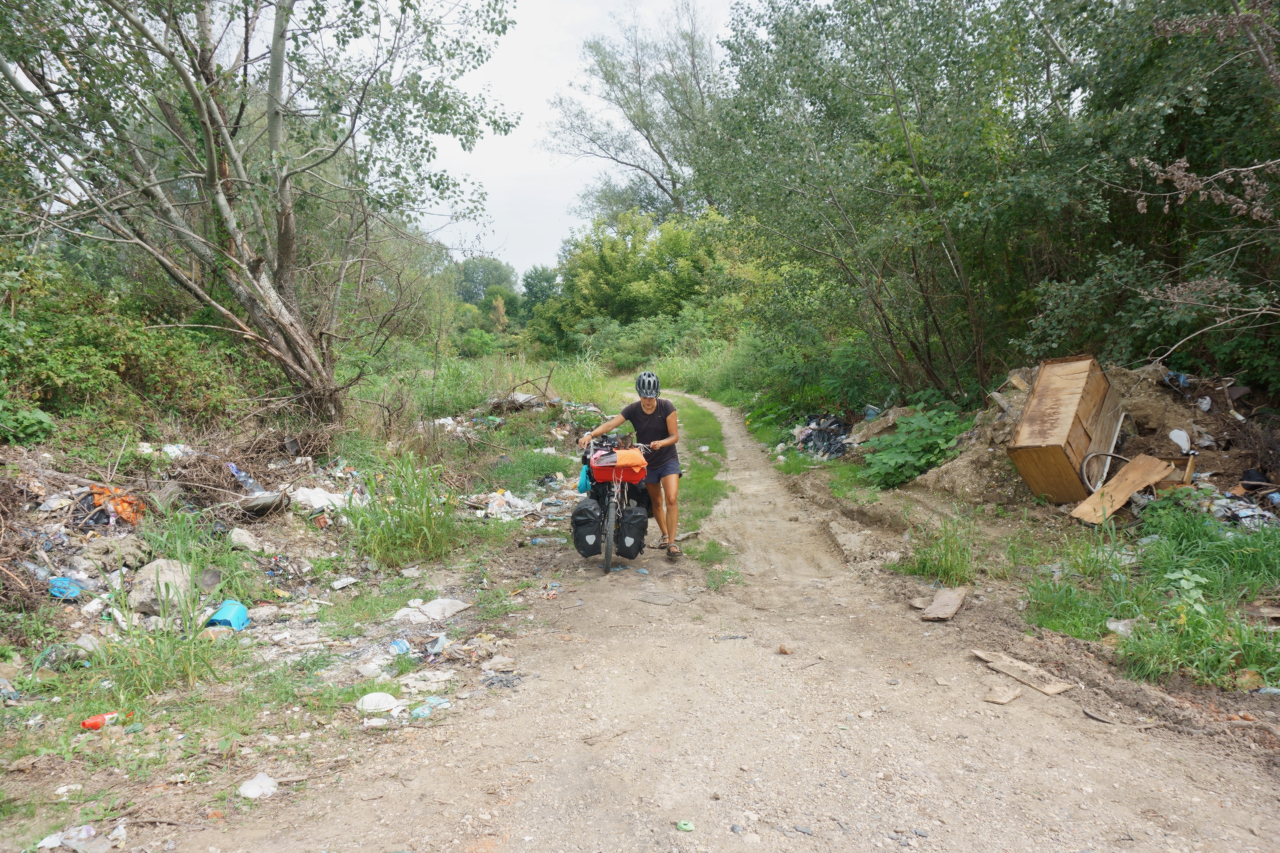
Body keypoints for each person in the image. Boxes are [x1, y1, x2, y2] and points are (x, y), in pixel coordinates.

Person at [577, 371, 682, 557]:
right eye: (644, 397)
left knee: (671, 498)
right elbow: (611, 425)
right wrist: (590, 435)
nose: (648, 401)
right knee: (656, 502)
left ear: (657, 394)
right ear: (639, 394)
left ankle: (672, 544)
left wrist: (661, 443)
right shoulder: (633, 410)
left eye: (651, 397)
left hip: (668, 459)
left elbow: (674, 436)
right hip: (645, 462)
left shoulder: (666, 407)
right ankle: (665, 536)